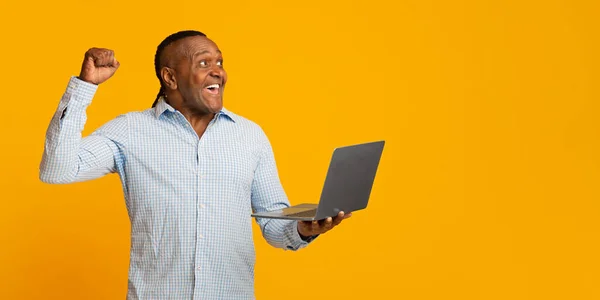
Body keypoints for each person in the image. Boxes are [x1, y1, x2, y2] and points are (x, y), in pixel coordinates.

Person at [39, 30, 351, 299]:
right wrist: (84, 88)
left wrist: (303, 228)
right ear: (170, 77)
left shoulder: (250, 136)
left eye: (220, 62)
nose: (218, 71)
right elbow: (57, 170)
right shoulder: (130, 131)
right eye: (204, 63)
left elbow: (273, 223)